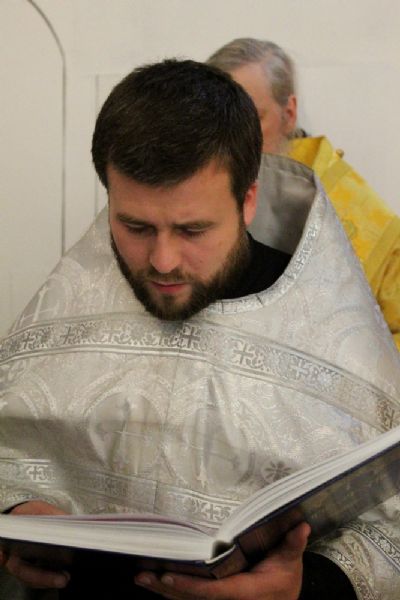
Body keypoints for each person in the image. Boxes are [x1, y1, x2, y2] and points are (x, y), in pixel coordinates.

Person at [0, 59, 400, 600]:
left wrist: (309, 587)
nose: (163, 261)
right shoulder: (74, 297)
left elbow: (390, 520)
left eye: (193, 230)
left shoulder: (330, 326)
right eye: (135, 226)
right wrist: (17, 516)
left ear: (248, 200)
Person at [207, 37, 400, 351]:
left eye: (252, 118)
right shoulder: (188, 195)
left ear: (289, 113)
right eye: (216, 121)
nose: (232, 139)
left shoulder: (358, 212)